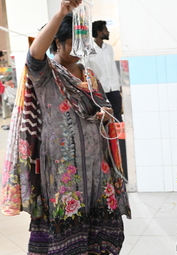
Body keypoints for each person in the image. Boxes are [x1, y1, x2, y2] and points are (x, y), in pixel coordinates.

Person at [1, 1, 131, 254]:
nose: (79, 49)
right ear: (58, 42)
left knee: (99, 225)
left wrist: (106, 113)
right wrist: (61, 13)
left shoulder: (89, 75)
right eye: (73, 42)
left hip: (97, 167)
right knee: (66, 223)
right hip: (63, 169)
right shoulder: (46, 74)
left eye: (83, 41)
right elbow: (33, 55)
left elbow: (104, 107)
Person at [88, 20, 122, 122]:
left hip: (114, 89)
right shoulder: (89, 50)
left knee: (117, 116)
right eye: (105, 30)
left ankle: (119, 138)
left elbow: (113, 68)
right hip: (100, 90)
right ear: (99, 32)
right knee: (103, 118)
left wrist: (118, 86)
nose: (108, 32)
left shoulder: (109, 48)